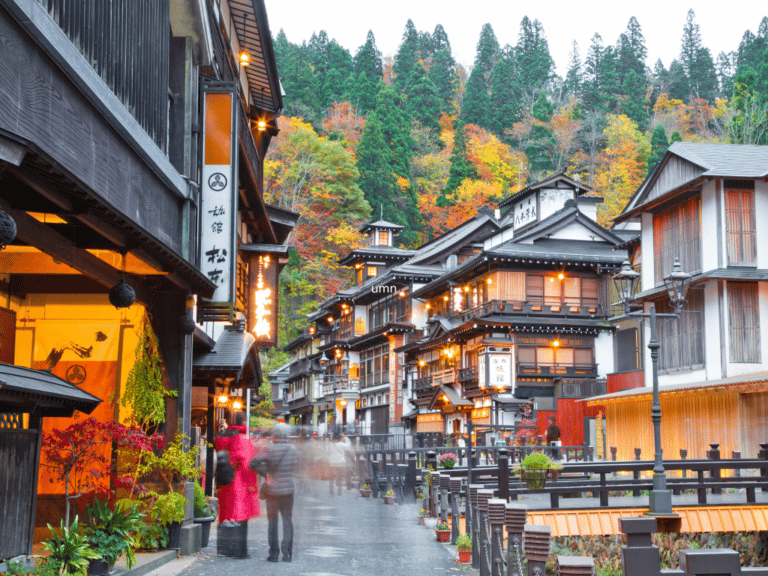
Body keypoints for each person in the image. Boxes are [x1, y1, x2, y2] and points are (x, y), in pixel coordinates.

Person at [261, 427, 298, 563]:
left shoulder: (269, 449)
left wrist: (266, 474)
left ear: (275, 436)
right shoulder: (293, 449)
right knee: (287, 520)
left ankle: (274, 554)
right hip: (288, 490)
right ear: (286, 436)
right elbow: (300, 464)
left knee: (273, 522)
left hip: (272, 491)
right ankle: (287, 554)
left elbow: (253, 463)